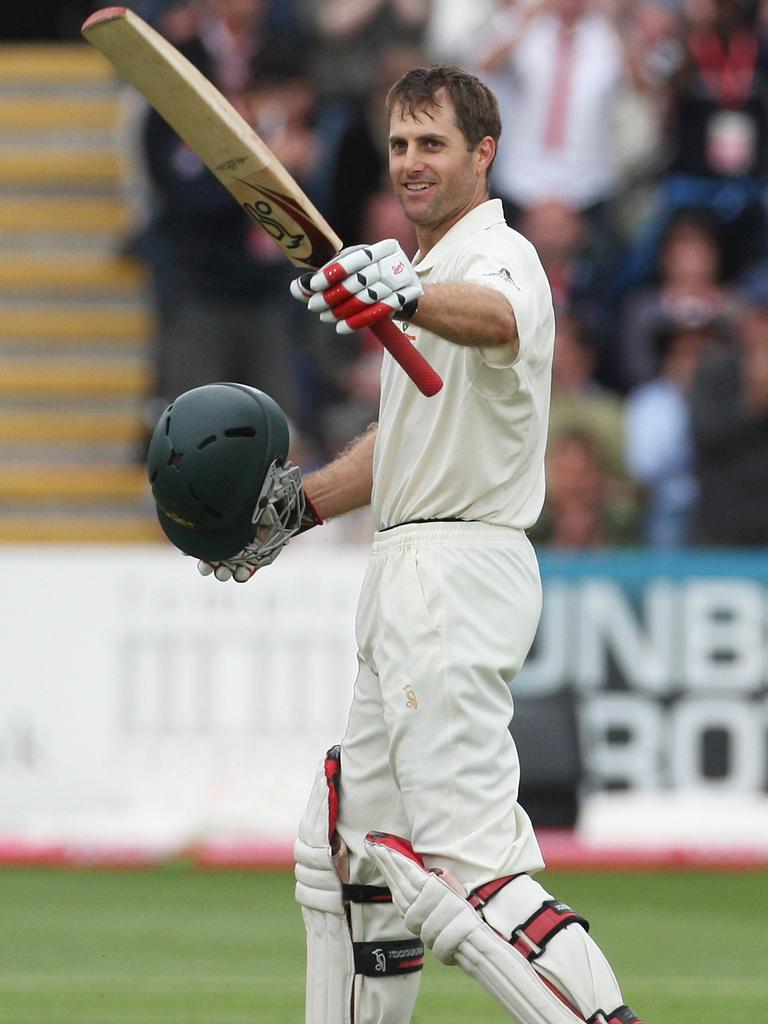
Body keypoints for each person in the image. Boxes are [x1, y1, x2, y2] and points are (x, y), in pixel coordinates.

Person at [151, 64, 642, 1024]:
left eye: (434, 145)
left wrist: (406, 294)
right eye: (400, 145)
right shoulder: (421, 271)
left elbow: (499, 321)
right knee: (343, 849)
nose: (413, 163)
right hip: (412, 566)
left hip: (456, 574)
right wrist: (291, 513)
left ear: (483, 155)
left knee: (467, 871)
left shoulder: (498, 259)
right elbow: (407, 443)